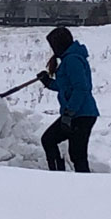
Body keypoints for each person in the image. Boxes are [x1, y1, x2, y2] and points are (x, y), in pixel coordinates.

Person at [37, 26, 99, 172]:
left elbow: (81, 88)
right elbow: (65, 86)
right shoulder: (68, 59)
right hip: (77, 113)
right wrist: (47, 82)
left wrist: (69, 112)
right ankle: (60, 176)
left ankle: (69, 180)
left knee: (76, 154)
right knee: (54, 142)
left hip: (82, 114)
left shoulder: (72, 60)